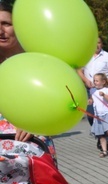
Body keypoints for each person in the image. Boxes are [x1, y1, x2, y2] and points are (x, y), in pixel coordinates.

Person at [0, 2, 54, 153]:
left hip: (32, 144)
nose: (0, 30)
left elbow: (58, 100)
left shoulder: (39, 60)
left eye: (6, 24)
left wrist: (34, 123)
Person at [88, 73, 108, 158]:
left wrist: (104, 95)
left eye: (97, 80)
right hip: (98, 115)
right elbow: (92, 100)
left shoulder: (107, 90)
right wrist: (90, 101)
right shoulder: (92, 90)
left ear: (103, 81)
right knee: (100, 134)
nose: (95, 82)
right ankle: (104, 150)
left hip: (107, 113)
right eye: (94, 80)